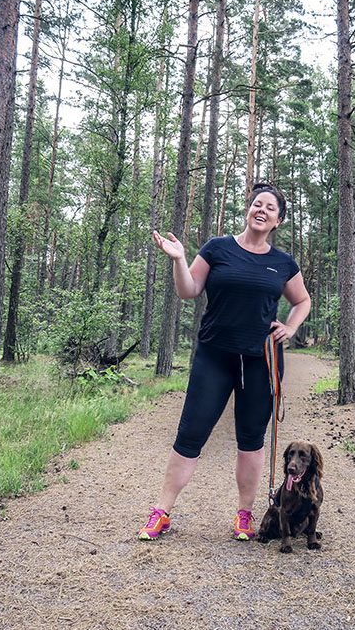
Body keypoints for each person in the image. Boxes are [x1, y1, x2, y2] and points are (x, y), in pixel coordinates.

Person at [139, 182, 312, 541]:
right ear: (248, 210)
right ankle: (162, 512)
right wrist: (178, 259)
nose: (261, 210)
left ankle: (244, 515)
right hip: (214, 357)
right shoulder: (218, 248)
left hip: (261, 362)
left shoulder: (282, 263)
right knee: (190, 435)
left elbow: (302, 301)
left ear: (278, 221)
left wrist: (291, 327)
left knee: (251, 439)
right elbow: (188, 290)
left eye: (270, 208)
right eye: (256, 204)